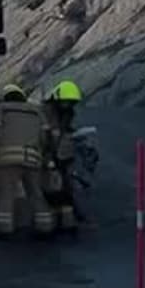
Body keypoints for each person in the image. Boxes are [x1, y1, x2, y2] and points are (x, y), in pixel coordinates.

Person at [0, 83, 53, 239]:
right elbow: (46, 137)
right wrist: (44, 157)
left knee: (6, 194)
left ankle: (5, 229)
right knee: (36, 193)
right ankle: (44, 227)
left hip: (7, 160)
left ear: (5, 97)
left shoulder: (1, 110)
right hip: (32, 159)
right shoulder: (37, 112)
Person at [40, 79, 84, 234]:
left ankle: (65, 223)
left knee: (62, 191)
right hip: (50, 158)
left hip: (62, 158)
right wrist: (48, 158)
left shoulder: (66, 114)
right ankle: (55, 224)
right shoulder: (46, 113)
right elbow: (47, 137)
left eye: (70, 103)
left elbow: (61, 133)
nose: (67, 105)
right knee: (52, 191)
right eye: (65, 102)